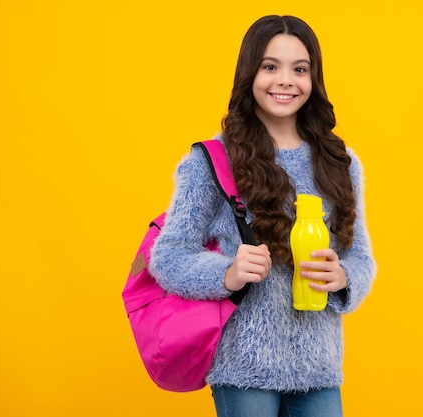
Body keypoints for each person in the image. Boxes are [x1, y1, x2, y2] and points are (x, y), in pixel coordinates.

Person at [150, 14, 376, 417]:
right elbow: (167, 256)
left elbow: (360, 256)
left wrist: (344, 278)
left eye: (300, 69)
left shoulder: (340, 162)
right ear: (249, 73)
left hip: (318, 366)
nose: (285, 80)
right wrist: (225, 274)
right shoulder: (213, 161)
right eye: (270, 66)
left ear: (314, 78)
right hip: (243, 367)